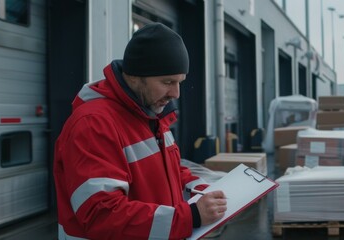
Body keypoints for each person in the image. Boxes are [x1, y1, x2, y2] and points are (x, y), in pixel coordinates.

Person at [54, 22, 227, 239]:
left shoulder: (151, 114)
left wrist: (202, 190)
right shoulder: (94, 124)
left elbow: (172, 172)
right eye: (167, 82)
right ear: (135, 76)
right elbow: (101, 215)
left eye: (180, 82)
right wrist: (190, 216)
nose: (176, 93)